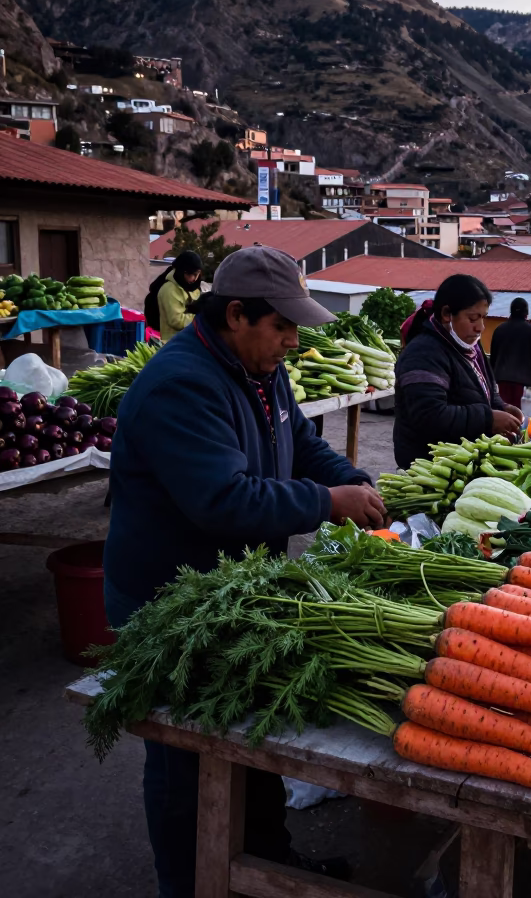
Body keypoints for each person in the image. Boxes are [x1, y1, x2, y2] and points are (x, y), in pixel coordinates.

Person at [105, 245, 385, 896]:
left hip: (231, 591)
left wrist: (351, 480)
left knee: (252, 741)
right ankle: (188, 883)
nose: (292, 339)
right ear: (236, 315)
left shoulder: (260, 369)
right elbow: (222, 500)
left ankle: (269, 864)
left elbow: (302, 443)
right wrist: (326, 503)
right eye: (282, 326)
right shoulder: (182, 384)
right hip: (167, 601)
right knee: (185, 757)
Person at [394, 274, 522, 468]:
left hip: (462, 461)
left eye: (483, 317)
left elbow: (482, 389)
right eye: (472, 318)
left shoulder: (470, 347)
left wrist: (501, 407)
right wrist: (488, 419)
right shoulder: (423, 354)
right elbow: (430, 415)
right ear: (447, 314)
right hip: (430, 467)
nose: (480, 327)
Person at [489, 297, 531, 409]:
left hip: (501, 382)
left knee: (503, 418)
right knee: (520, 420)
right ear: (526, 313)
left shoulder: (499, 329)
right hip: (524, 385)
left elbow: (493, 360)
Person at [145, 250, 203, 340]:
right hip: (174, 343)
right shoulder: (169, 290)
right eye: (191, 274)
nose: (195, 278)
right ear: (181, 271)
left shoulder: (193, 286)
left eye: (197, 274)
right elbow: (177, 321)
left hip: (191, 340)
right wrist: (202, 317)